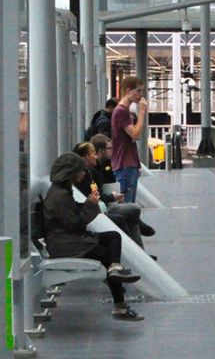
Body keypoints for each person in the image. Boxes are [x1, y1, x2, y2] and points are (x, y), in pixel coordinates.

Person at [41, 152, 143, 321]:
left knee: (113, 238)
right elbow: (75, 223)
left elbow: (72, 217)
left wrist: (88, 204)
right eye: (81, 171)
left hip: (68, 240)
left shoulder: (61, 192)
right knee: (107, 256)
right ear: (71, 172)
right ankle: (119, 302)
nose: (83, 174)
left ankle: (115, 270)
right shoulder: (60, 195)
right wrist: (89, 205)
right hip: (66, 244)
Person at [73, 141, 156, 251]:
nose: (95, 156)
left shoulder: (92, 172)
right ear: (86, 157)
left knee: (131, 217)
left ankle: (139, 251)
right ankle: (135, 248)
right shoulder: (83, 177)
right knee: (133, 209)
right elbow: (94, 197)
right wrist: (112, 196)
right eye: (92, 153)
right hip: (98, 209)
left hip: (101, 206)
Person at [111, 77, 147, 204]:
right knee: (127, 203)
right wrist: (142, 113)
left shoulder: (124, 111)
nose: (140, 95)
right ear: (128, 91)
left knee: (129, 202)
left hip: (127, 163)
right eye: (138, 91)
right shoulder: (121, 111)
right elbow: (135, 134)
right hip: (125, 164)